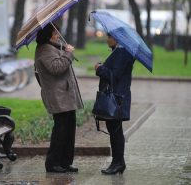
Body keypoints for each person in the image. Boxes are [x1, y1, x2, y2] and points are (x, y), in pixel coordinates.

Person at [34, 23, 84, 173]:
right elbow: (56, 68)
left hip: (64, 95)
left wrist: (65, 50)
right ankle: (53, 163)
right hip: (58, 96)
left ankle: (65, 162)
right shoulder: (44, 49)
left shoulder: (53, 46)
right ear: (48, 34)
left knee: (69, 130)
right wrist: (68, 53)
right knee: (60, 131)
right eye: (55, 33)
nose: (57, 35)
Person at [94, 33, 135, 175]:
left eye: (109, 37)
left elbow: (114, 76)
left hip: (117, 98)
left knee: (116, 131)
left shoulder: (122, 53)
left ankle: (118, 163)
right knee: (114, 130)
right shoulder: (120, 51)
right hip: (117, 97)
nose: (107, 39)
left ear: (117, 38)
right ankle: (118, 162)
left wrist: (99, 69)